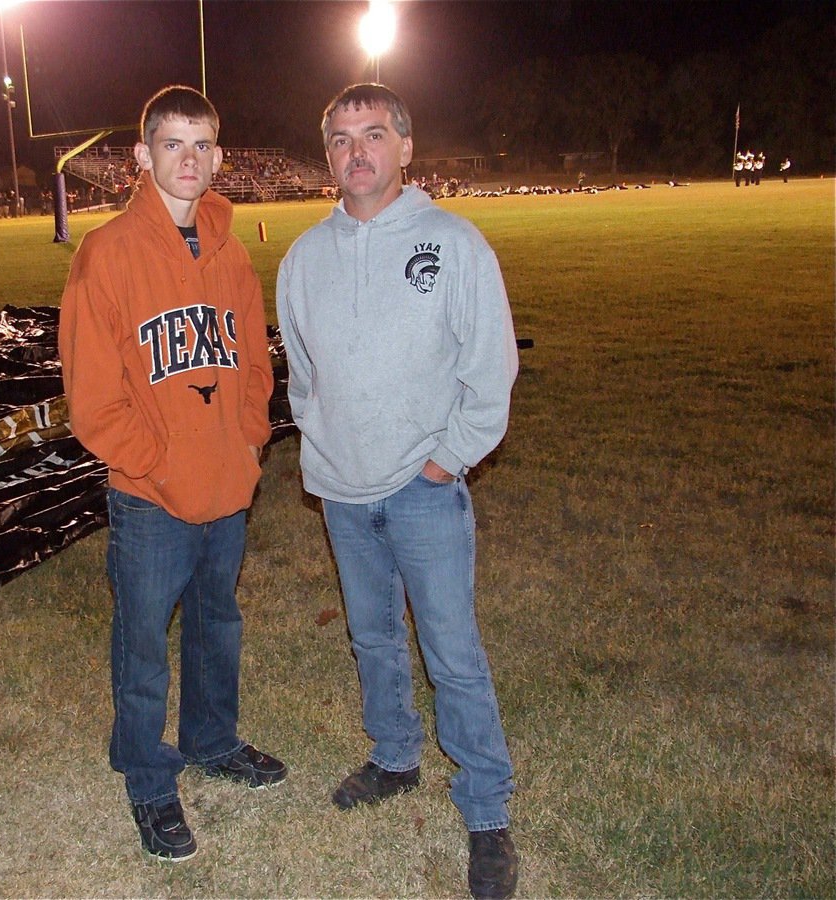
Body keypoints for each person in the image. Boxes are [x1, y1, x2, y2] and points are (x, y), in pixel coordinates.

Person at [276, 83, 520, 900]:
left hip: (423, 488)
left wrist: (444, 462)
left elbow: (490, 373)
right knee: (372, 638)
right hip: (342, 492)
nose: (357, 152)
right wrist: (325, 438)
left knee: (451, 652)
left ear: (405, 148)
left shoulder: (454, 245)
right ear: (329, 156)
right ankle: (394, 756)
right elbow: (302, 376)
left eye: (373, 134)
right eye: (341, 138)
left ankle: (486, 808)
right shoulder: (304, 256)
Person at [58, 85, 286, 864]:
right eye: (171, 145)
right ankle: (149, 780)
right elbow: (92, 398)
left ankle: (213, 741)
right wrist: (157, 462)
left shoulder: (230, 250)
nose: (188, 161)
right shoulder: (108, 254)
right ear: (141, 155)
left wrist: (247, 441)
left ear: (219, 156)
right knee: (144, 644)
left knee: (218, 624)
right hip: (151, 498)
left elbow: (254, 361)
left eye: (201, 146)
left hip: (227, 487)